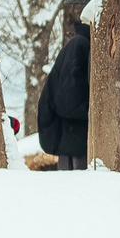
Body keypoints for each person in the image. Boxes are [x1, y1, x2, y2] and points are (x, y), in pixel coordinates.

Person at [36, 14, 91, 168]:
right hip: (72, 137)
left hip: (71, 136)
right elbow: (68, 98)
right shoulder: (80, 45)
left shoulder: (79, 44)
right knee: (76, 181)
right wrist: (95, 112)